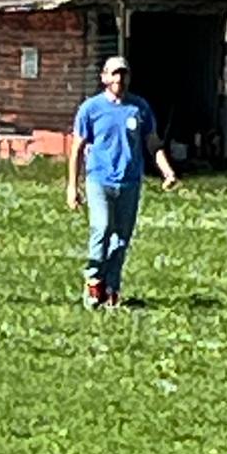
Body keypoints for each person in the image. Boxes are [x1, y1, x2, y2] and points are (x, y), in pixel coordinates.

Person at [67, 54, 178, 308]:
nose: (119, 78)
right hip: (99, 180)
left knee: (121, 239)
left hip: (130, 182)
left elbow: (152, 142)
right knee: (102, 228)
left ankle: (111, 289)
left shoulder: (139, 108)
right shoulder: (90, 109)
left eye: (123, 74)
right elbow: (76, 149)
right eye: (114, 73)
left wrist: (167, 171)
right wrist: (73, 186)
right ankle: (94, 282)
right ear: (104, 77)